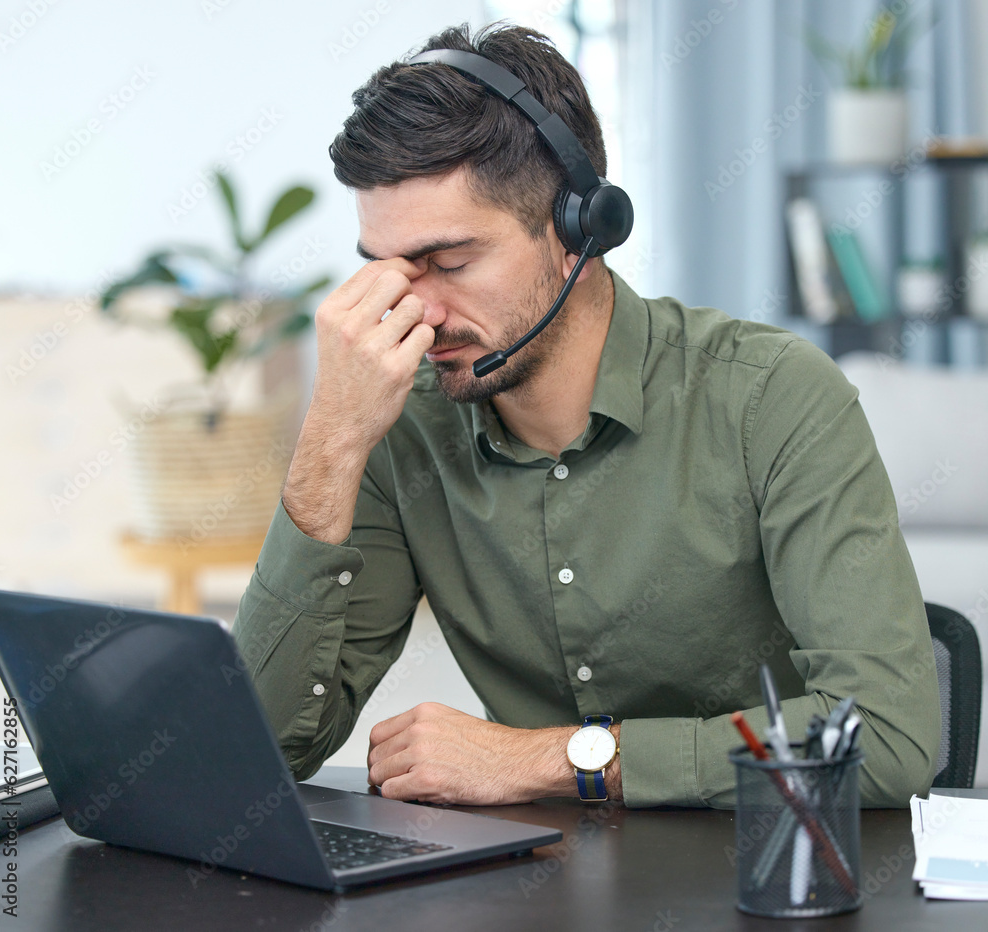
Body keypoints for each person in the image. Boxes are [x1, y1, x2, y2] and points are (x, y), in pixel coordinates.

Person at [232, 22, 940, 809]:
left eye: (453, 263)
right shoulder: (401, 425)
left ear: (582, 229)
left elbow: (886, 736)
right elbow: (260, 752)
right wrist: (330, 438)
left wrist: (555, 759)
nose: (417, 313)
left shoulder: (773, 399)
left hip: (761, 882)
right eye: (390, 270)